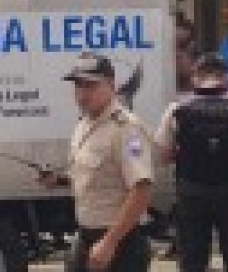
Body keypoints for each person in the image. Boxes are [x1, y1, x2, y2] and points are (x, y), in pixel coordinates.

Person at [154, 53, 228, 272]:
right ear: (226, 77)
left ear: (196, 77)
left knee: (192, 260)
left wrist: (184, 153)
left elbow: (162, 156)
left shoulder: (177, 109)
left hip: (192, 192)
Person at [39, 53, 153, 272]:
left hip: (120, 243)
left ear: (111, 84)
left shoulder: (126, 128)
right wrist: (59, 180)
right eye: (78, 86)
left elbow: (142, 189)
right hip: (86, 236)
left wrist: (110, 242)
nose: (82, 94)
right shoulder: (84, 123)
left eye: (90, 86)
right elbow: (93, 177)